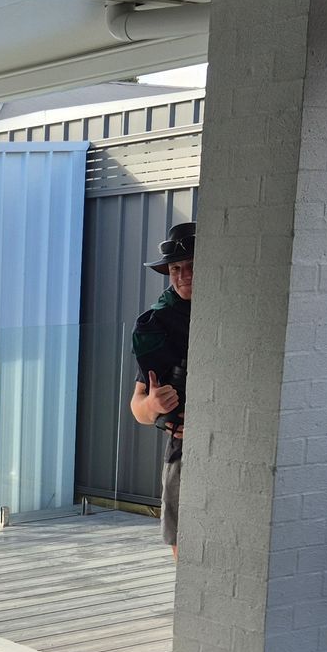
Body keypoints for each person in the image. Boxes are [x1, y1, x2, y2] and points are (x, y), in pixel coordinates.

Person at [129, 222, 193, 554]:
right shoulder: (157, 324)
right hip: (183, 449)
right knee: (183, 538)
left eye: (192, 267)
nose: (183, 275)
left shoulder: (237, 310)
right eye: (175, 268)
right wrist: (154, 404)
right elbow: (138, 408)